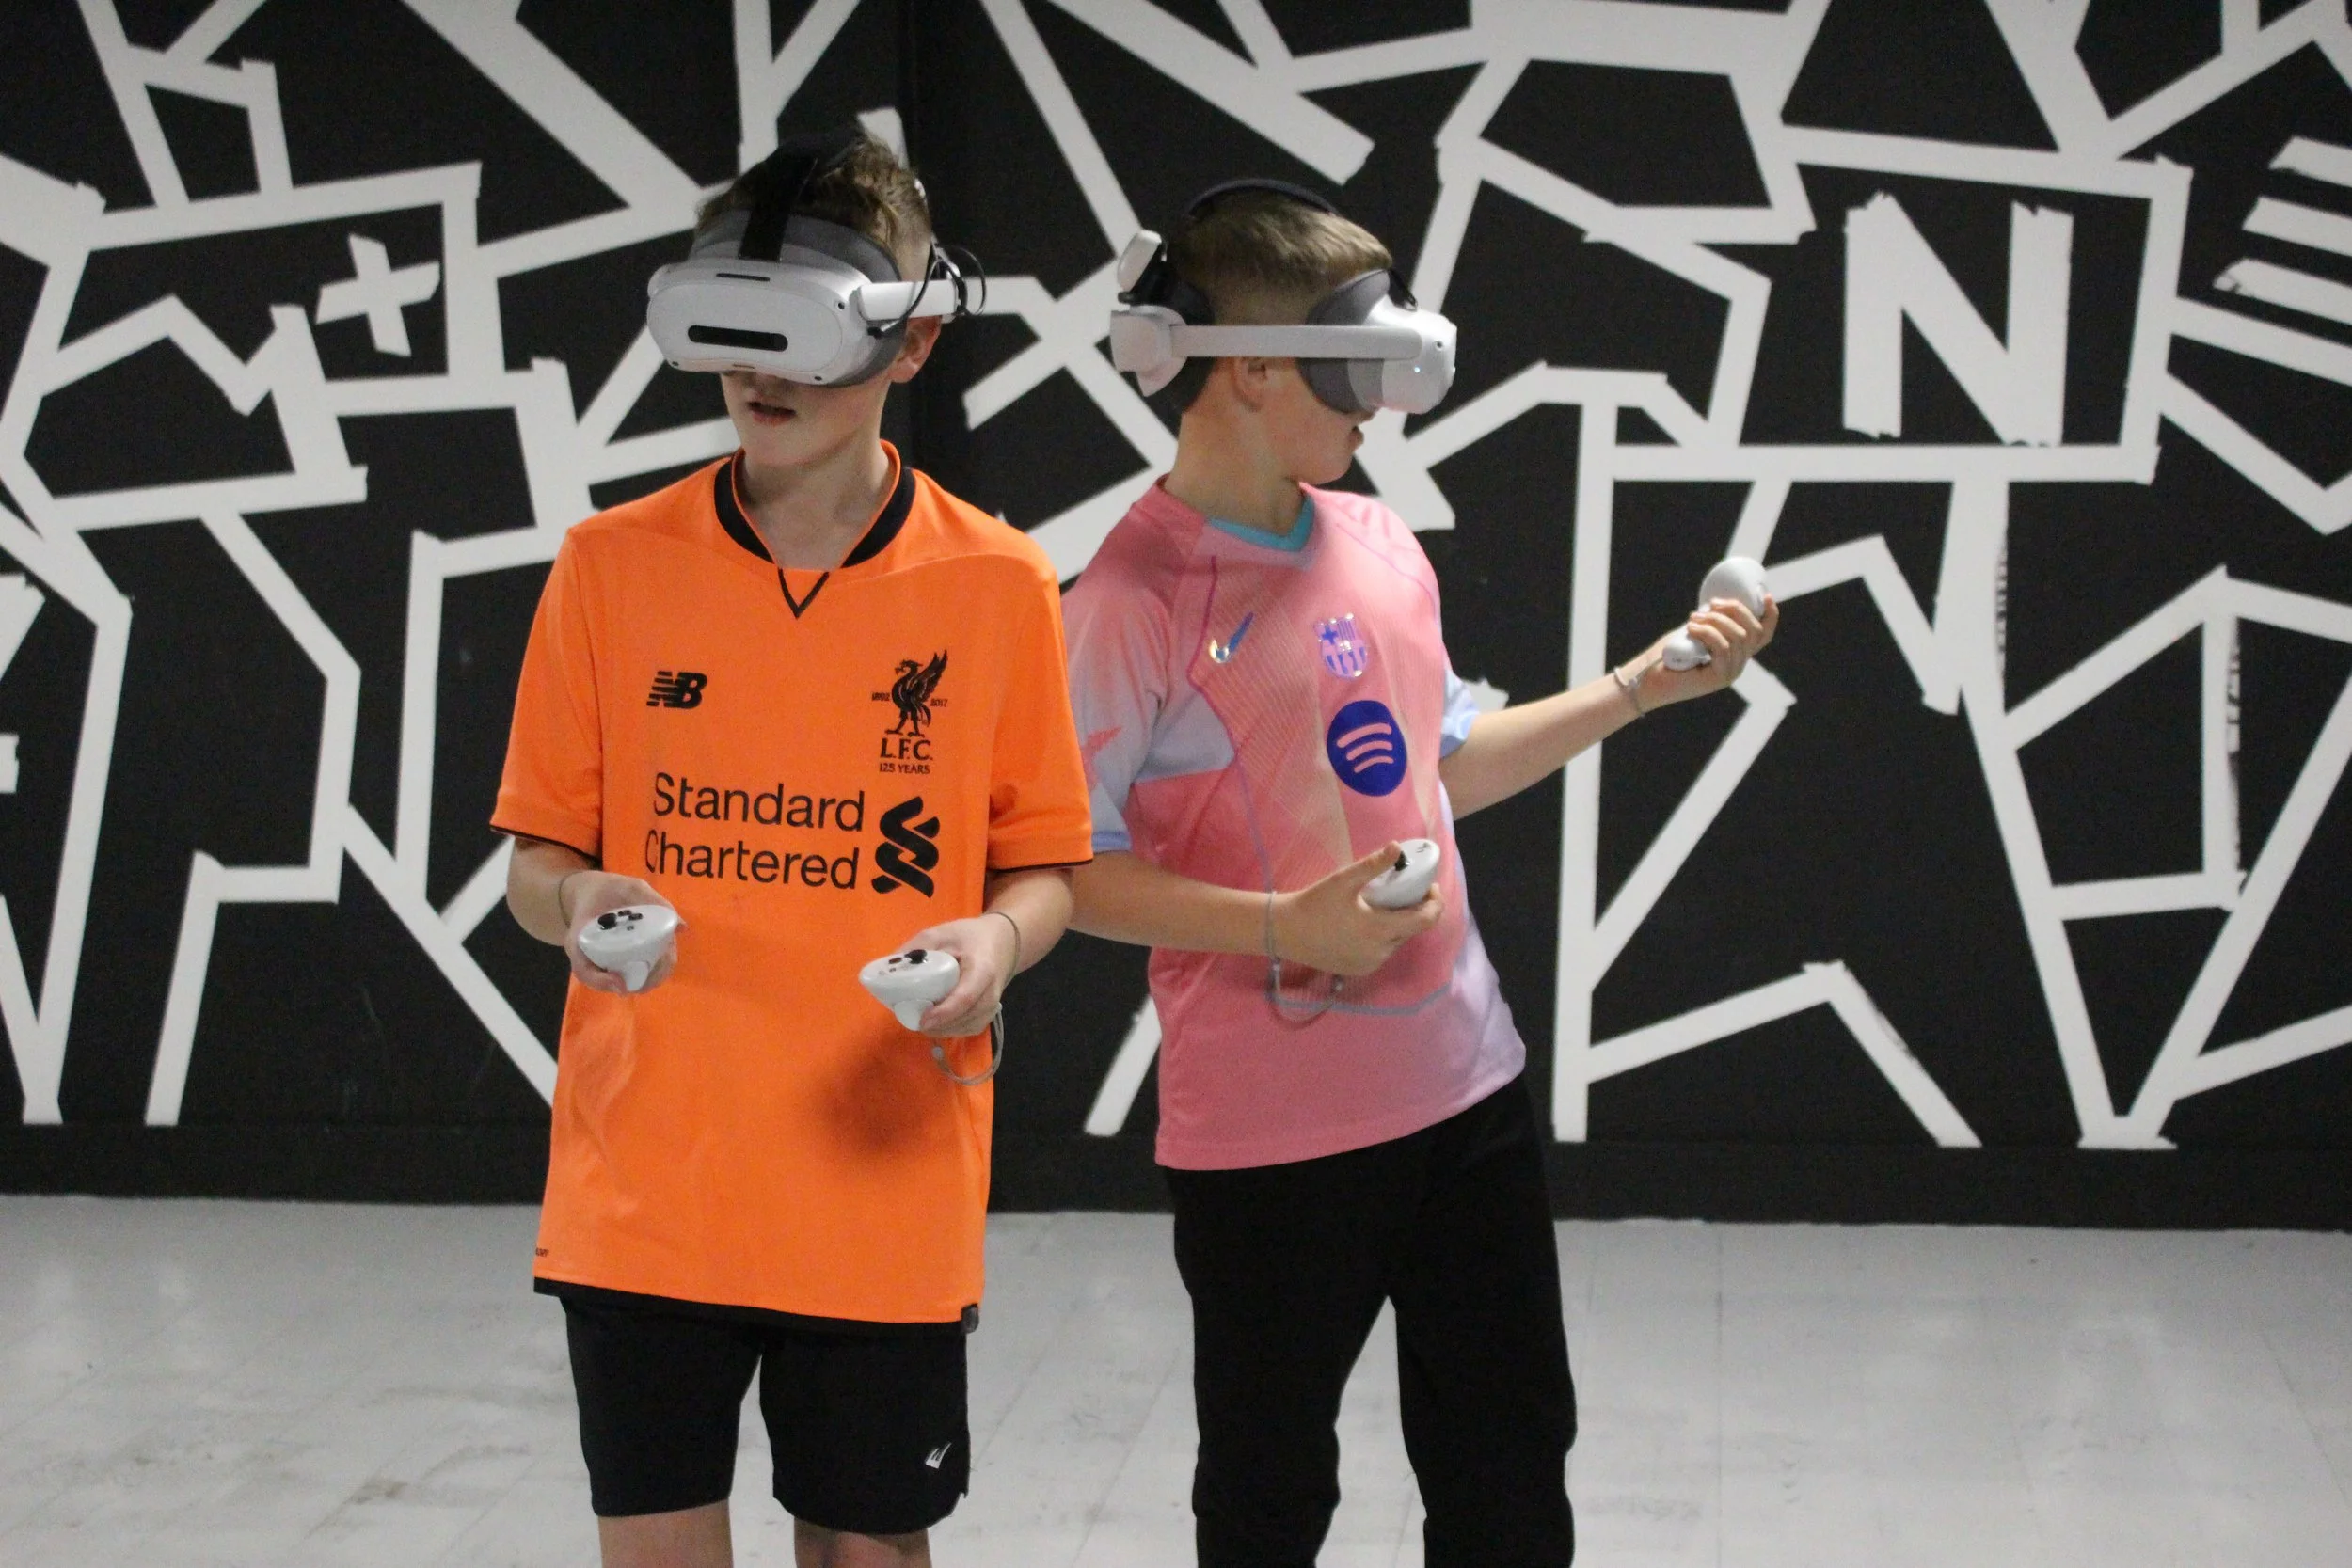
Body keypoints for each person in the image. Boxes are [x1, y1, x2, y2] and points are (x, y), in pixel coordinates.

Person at [1062, 182, 1776, 1567]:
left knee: (1513, 1477)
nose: (1379, 404)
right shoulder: (1129, 603)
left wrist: (1645, 685)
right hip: (1270, 1147)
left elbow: (1435, 763)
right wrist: (1287, 921)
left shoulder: (1377, 540)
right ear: (1249, 371)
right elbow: (1067, 869)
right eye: (1351, 366)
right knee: (1270, 1498)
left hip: (1467, 1099)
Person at [493, 129, 1092, 1568]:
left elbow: (1048, 869)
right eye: (728, 337)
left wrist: (996, 941)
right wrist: (579, 895)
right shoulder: (608, 568)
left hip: (879, 1174)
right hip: (647, 1186)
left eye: (802, 342)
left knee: (870, 1550)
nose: (759, 379)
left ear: (912, 338)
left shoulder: (998, 582)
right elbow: (531, 869)